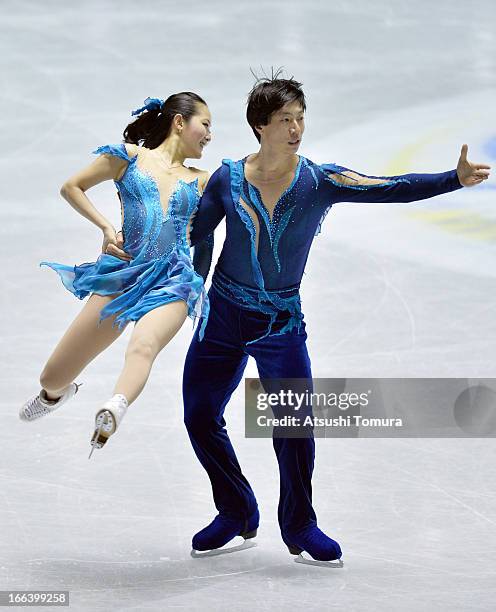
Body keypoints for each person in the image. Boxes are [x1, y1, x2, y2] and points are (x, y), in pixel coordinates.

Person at [182, 72, 491, 565]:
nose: (296, 129)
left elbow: (391, 187)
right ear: (260, 126)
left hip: (279, 324)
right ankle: (236, 510)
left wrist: (452, 179)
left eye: (300, 118)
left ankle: (300, 523)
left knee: (293, 427)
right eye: (285, 120)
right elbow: (197, 235)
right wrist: (188, 290)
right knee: (199, 417)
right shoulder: (226, 179)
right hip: (220, 317)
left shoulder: (317, 181)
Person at [20, 93, 213, 458]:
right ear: (179, 122)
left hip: (173, 279)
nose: (209, 134)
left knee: (144, 346)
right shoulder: (128, 157)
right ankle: (58, 393)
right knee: (52, 377)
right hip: (123, 273)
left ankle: (115, 406)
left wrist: (197, 285)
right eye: (205, 124)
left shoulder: (202, 180)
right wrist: (107, 228)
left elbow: (206, 238)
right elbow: (71, 187)